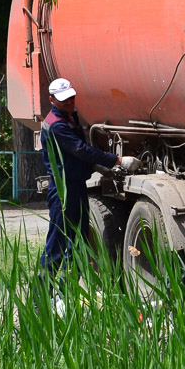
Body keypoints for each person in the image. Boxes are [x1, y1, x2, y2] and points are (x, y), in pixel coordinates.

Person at [39, 77, 121, 280]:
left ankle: (65, 294)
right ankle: (40, 300)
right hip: (63, 190)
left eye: (71, 97)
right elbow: (79, 149)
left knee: (79, 243)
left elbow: (73, 154)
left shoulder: (69, 117)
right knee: (57, 245)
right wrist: (116, 160)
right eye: (63, 99)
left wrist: (94, 166)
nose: (69, 102)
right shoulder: (57, 125)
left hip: (75, 186)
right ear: (51, 99)